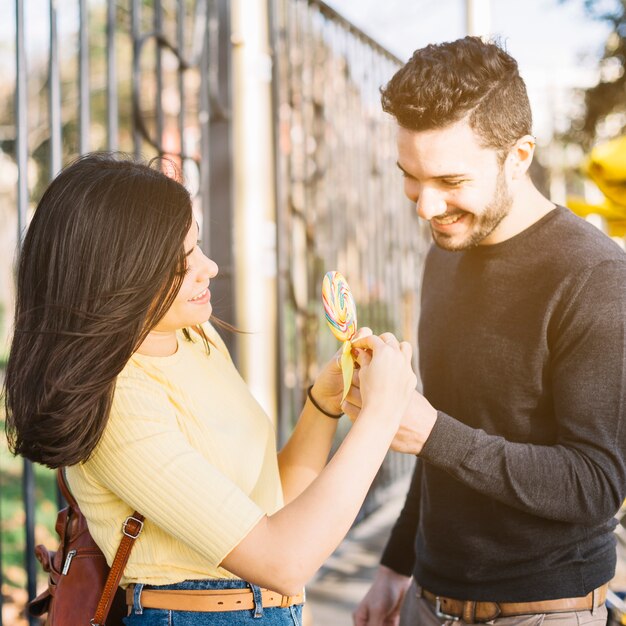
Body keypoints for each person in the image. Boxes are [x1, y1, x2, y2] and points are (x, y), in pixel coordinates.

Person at [4, 153, 417, 625]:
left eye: (197, 247)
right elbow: (284, 561)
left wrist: (324, 405)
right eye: (184, 261)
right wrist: (382, 417)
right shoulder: (116, 404)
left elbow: (267, 507)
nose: (211, 267)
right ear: (118, 273)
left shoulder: (192, 336)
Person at [349, 36, 626, 625]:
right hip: (426, 597)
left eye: (451, 180)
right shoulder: (443, 253)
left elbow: (595, 484)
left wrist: (427, 431)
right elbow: (448, 433)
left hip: (544, 611)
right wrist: (396, 565)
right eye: (411, 177)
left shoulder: (595, 276)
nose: (426, 206)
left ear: (519, 155)